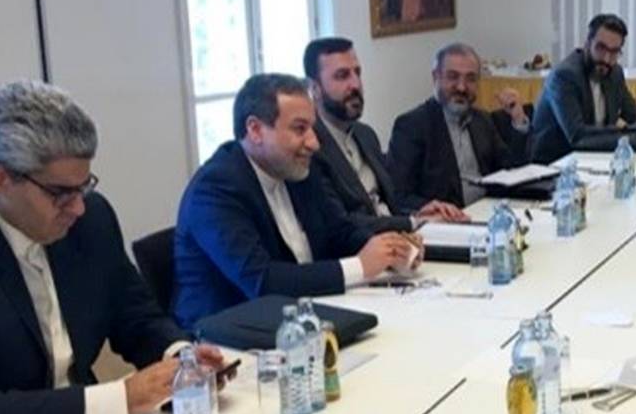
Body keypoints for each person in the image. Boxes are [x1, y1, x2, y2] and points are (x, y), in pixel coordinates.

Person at [0, 81, 224, 414]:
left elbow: (136, 317)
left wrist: (182, 360)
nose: (78, 207)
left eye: (84, 186)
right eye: (60, 193)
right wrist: (120, 398)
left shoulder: (91, 219)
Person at [173, 74, 419, 330]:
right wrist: (361, 266)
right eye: (299, 129)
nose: (314, 143)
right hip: (227, 338)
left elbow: (339, 232)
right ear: (255, 130)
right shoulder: (215, 189)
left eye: (312, 128)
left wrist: (391, 249)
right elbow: (262, 281)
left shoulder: (297, 169)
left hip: (302, 320)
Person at [303, 36, 469, 232]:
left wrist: (420, 212)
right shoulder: (310, 147)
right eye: (342, 76)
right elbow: (340, 223)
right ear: (314, 88)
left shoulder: (365, 135)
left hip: (400, 238)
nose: (355, 84)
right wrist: (413, 222)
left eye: (357, 73)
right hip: (363, 247)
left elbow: (389, 203)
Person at [388, 42, 530, 208]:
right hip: (446, 219)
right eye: (453, 77)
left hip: (488, 211)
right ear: (435, 77)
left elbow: (512, 170)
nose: (462, 87)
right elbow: (399, 196)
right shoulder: (412, 126)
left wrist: (518, 120)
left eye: (470, 79)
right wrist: (436, 209)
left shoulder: (482, 120)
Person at [530, 13, 636, 163]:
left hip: (593, 159)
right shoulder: (564, 76)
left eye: (614, 52)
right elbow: (578, 136)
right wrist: (629, 132)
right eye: (601, 48)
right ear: (587, 44)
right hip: (554, 164)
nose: (607, 59)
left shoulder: (614, 73)